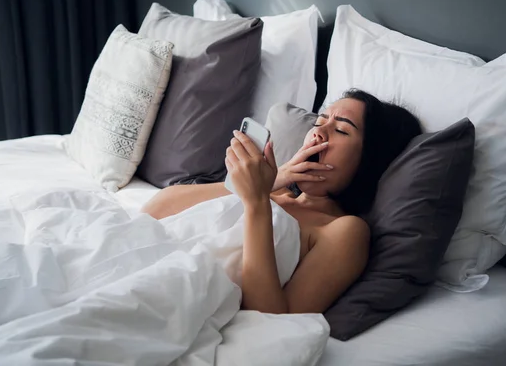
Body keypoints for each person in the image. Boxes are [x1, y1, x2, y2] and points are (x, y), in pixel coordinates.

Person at [141, 89, 422, 315]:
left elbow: (272, 318)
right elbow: (156, 210)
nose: (318, 133)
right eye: (320, 122)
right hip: (147, 258)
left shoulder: (344, 230)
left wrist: (256, 205)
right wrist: (274, 181)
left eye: (342, 130)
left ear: (368, 161)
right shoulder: (275, 193)